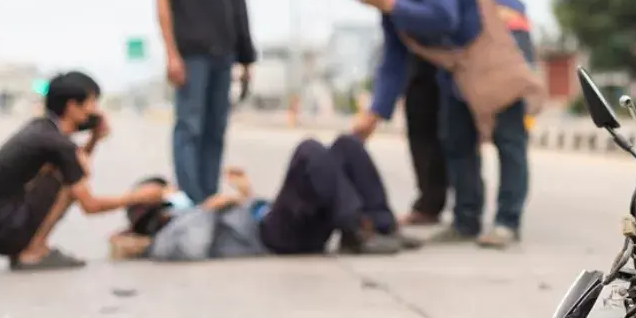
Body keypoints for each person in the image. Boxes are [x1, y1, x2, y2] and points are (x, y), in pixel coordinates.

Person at [326, 0, 542, 249]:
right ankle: (465, 222)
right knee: (456, 140)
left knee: (508, 138)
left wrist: (393, 5)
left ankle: (508, 222)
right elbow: (394, 59)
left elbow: (445, 15)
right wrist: (374, 114)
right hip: (456, 66)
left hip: (496, 49)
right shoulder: (389, 4)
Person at [112, 135, 420, 262]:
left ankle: (381, 226)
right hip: (274, 239)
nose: (175, 193)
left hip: (275, 221)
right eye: (166, 192)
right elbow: (194, 248)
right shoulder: (167, 233)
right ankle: (356, 231)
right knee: (309, 151)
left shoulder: (185, 214)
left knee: (345, 144)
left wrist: (247, 195)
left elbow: (242, 217)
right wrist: (207, 209)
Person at [0, 71, 171, 271]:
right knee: (69, 184)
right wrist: (140, 197)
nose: (96, 112)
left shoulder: (42, 130)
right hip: (3, 231)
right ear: (72, 106)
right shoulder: (57, 144)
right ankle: (32, 252)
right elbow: (89, 205)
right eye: (92, 103)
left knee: (72, 177)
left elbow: (76, 165)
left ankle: (29, 248)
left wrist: (94, 139)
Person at [153, 0, 257, 204]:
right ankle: (190, 198)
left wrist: (246, 55)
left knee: (215, 128)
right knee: (190, 125)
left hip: (224, 52)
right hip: (191, 53)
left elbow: (237, 0)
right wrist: (172, 53)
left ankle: (209, 197)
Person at [396, 0, 489, 227]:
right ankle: (429, 201)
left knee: (456, 130)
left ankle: (467, 207)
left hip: (455, 46)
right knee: (419, 123)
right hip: (420, 47)